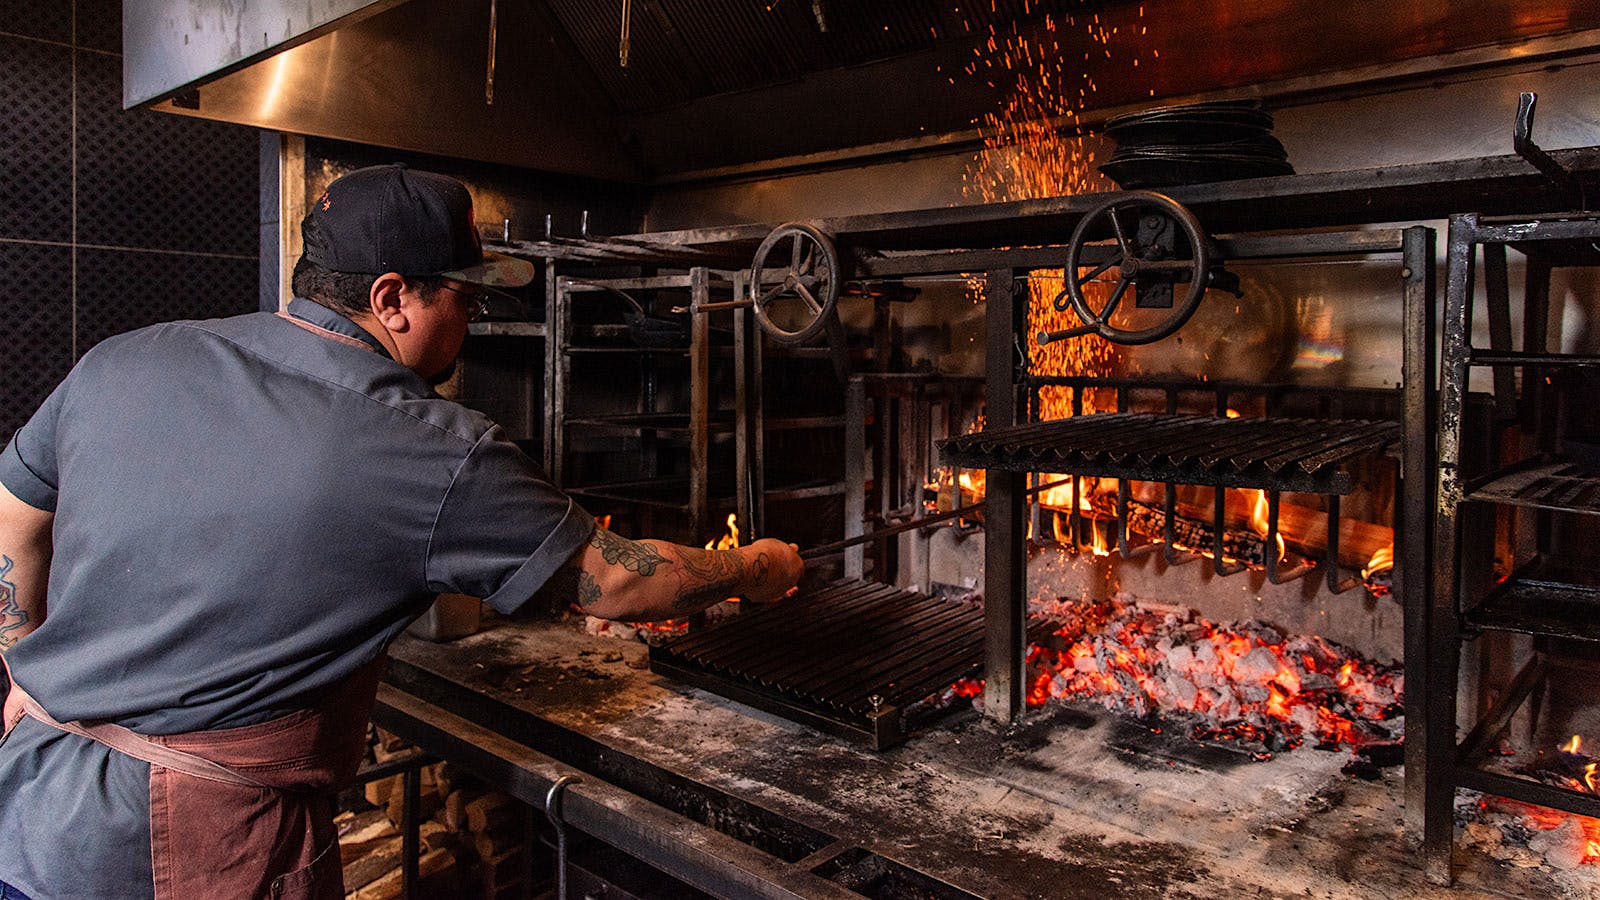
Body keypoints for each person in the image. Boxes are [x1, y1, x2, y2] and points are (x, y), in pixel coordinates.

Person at [0, 164, 803, 900]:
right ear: (392, 299)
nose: (474, 319)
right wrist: (753, 566)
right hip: (186, 850)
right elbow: (620, 580)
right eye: (468, 297)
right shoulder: (430, 445)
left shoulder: (125, 359)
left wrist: (18, 663)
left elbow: (15, 516)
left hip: (28, 808)